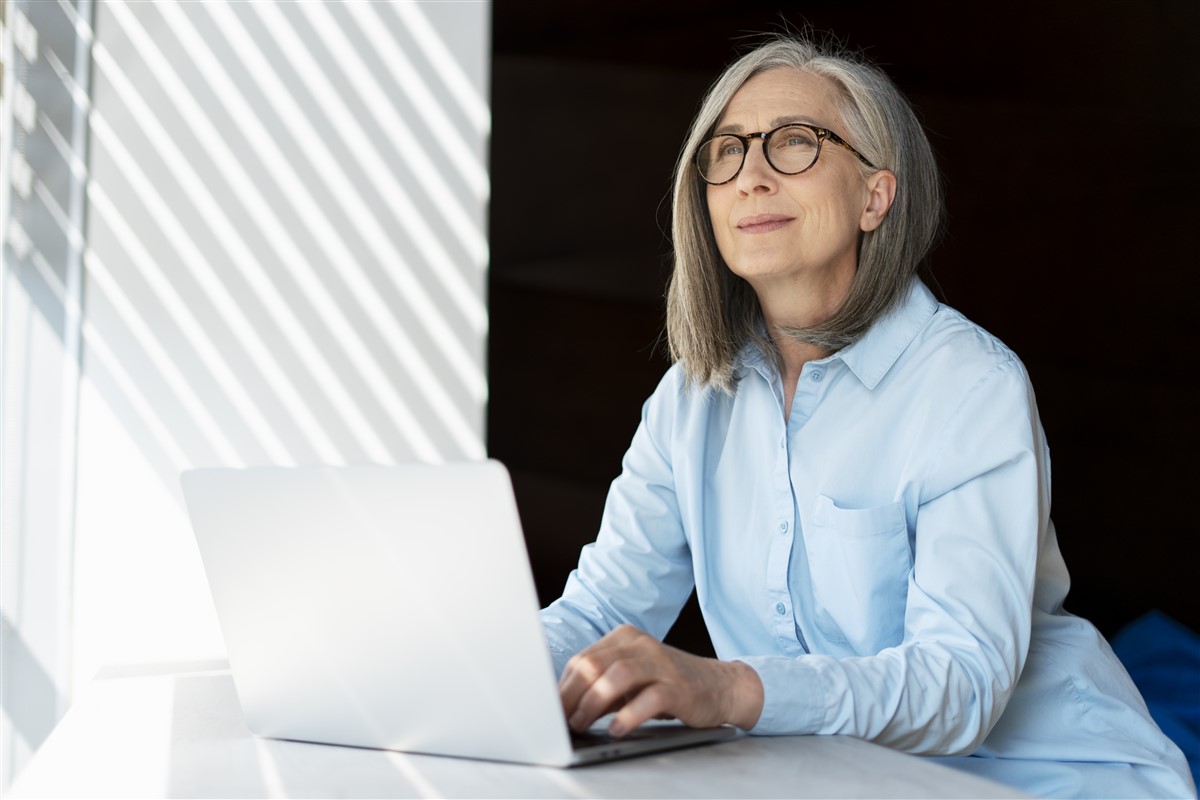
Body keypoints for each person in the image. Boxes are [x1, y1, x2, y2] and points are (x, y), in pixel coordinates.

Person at [539, 34, 1196, 799]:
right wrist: (474, 678)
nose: (749, 176)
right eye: (725, 152)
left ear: (874, 197)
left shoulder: (970, 386)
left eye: (792, 144)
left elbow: (961, 682)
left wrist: (730, 691)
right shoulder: (692, 397)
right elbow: (601, 608)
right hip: (829, 778)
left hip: (1040, 775)